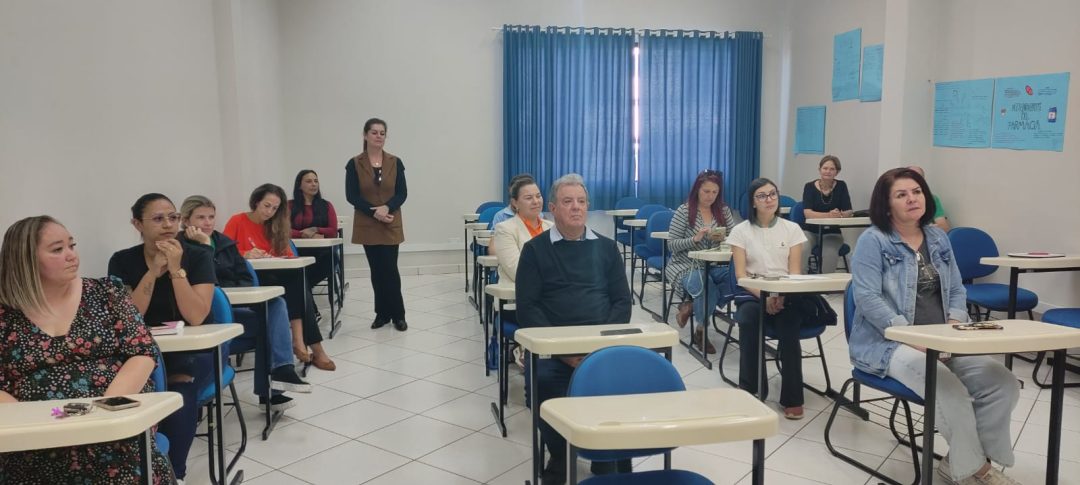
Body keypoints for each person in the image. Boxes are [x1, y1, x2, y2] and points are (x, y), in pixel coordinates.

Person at [850, 168, 1019, 485]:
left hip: (942, 340)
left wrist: (953, 326)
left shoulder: (938, 237)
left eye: (916, 191)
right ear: (886, 204)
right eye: (901, 194)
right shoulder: (873, 241)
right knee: (949, 389)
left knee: (1003, 382)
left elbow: (956, 289)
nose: (912, 199)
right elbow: (867, 298)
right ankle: (977, 471)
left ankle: (960, 461)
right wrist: (912, 338)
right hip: (889, 344)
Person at [0, 216, 175, 484]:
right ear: (25, 260)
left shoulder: (106, 292)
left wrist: (102, 414)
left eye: (72, 245)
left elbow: (142, 352)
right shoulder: (6, 313)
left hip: (111, 420)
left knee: (116, 462)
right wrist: (36, 425)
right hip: (35, 432)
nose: (71, 255)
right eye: (57, 249)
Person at [515, 173, 632, 485]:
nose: (576, 207)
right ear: (553, 208)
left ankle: (606, 454)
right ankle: (560, 454)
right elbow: (528, 308)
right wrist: (564, 352)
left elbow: (622, 303)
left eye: (581, 201)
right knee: (542, 383)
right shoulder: (535, 250)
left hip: (600, 348)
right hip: (554, 351)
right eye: (567, 202)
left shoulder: (607, 248)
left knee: (625, 382)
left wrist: (596, 349)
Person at [108, 193, 216, 482]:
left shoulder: (199, 256)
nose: (168, 225)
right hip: (142, 352)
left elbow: (196, 316)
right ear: (137, 224)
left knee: (179, 386)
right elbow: (128, 319)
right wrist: (153, 272)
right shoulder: (122, 261)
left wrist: (176, 270)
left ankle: (174, 473)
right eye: (158, 219)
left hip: (192, 350)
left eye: (173, 217)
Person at [180, 195, 311, 412]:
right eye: (200, 218)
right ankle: (271, 393)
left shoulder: (225, 243)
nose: (208, 223)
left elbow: (246, 278)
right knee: (268, 324)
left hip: (235, 310)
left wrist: (231, 288)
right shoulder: (179, 248)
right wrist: (205, 248)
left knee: (276, 305)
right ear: (186, 221)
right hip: (203, 319)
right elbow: (204, 283)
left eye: (211, 217)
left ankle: (282, 370)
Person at [223, 184, 336, 371]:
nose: (270, 212)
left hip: (273, 276)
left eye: (275, 208)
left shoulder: (275, 225)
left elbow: (288, 256)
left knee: (297, 279)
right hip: (248, 278)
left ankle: (299, 341)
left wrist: (276, 257)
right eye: (266, 206)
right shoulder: (238, 221)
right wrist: (245, 254)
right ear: (256, 202)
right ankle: (310, 345)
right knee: (298, 284)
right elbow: (224, 254)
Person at [728, 178, 810, 420]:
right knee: (748, 319)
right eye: (762, 196)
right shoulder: (740, 231)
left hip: (785, 294)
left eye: (773, 194)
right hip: (752, 293)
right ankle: (751, 389)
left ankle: (793, 398)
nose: (769, 199)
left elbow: (794, 273)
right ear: (753, 202)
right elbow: (741, 276)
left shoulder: (791, 229)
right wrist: (764, 297)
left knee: (789, 324)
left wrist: (779, 296)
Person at [664, 169, 739, 354]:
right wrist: (694, 239)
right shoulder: (684, 211)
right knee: (706, 285)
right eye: (706, 191)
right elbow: (671, 245)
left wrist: (723, 239)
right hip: (685, 265)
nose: (710, 196)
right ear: (697, 189)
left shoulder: (723, 210)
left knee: (737, 278)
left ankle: (691, 305)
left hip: (714, 264)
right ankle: (701, 330)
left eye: (715, 192)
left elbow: (735, 237)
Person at [345, 117, 408, 331]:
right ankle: (381, 314)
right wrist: (375, 213)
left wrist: (387, 208)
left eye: (382, 133)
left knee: (390, 269)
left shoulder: (395, 162)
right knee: (377, 270)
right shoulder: (354, 163)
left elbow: (402, 193)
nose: (378, 136)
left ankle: (398, 314)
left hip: (390, 221)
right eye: (374, 132)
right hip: (367, 223)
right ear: (365, 135)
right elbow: (352, 195)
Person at [801, 155, 853, 273]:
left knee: (829, 253)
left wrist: (840, 215)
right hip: (810, 231)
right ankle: (798, 281)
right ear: (819, 169)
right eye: (825, 168)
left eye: (832, 169)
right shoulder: (809, 187)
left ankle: (825, 284)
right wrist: (829, 215)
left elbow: (849, 211)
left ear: (837, 172)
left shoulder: (841, 186)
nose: (828, 171)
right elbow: (808, 213)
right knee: (802, 248)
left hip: (832, 233)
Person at [289, 169, 336, 291]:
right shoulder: (289, 205)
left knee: (332, 258)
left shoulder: (326, 205)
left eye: (316, 181)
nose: (314, 184)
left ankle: (303, 289)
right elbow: (282, 230)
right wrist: (304, 235)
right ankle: (303, 291)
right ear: (299, 185)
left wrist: (315, 229)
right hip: (296, 249)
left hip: (320, 250)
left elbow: (333, 231)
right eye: (309, 181)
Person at [908, 165, 951, 232]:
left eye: (919, 177)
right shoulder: (898, 200)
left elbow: (944, 226)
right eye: (911, 177)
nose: (915, 180)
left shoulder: (932, 199)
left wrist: (927, 230)